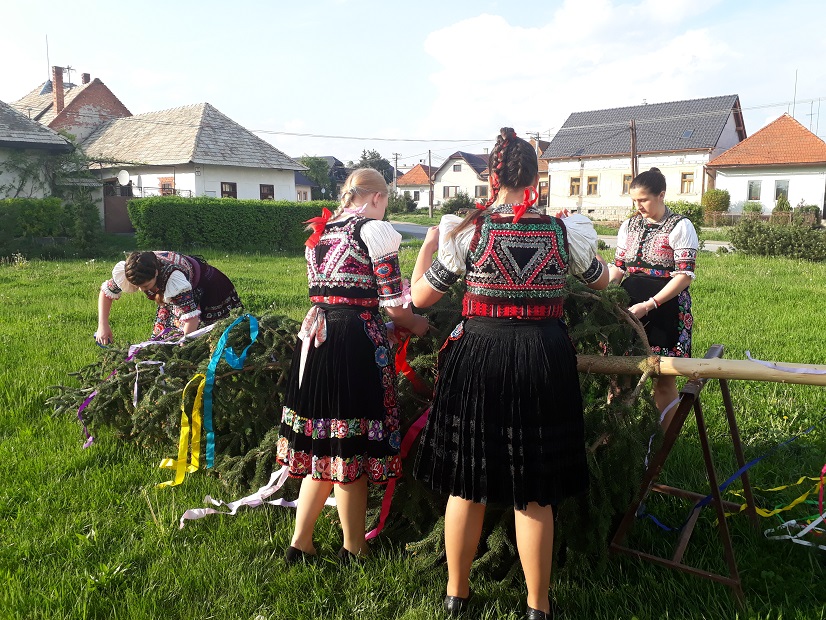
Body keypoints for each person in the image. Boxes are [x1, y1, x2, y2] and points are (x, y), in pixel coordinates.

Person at [410, 128, 609, 619]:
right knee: (535, 489)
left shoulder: (468, 231)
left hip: (480, 354)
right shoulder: (565, 232)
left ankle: (457, 596)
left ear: (492, 177)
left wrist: (426, 248)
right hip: (544, 356)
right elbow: (602, 280)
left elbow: (420, 298)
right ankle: (538, 607)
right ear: (536, 179)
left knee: (467, 481)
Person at [276, 167, 429, 563]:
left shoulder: (321, 233)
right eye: (387, 201)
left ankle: (301, 543)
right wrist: (417, 324)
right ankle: (354, 547)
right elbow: (394, 305)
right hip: (352, 343)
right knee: (350, 450)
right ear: (377, 197)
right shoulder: (374, 231)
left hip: (316, 337)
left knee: (325, 445)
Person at [607, 167, 698, 428]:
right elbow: (619, 267)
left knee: (664, 378)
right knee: (619, 375)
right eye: (634, 200)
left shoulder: (680, 226)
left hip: (666, 310)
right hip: (628, 309)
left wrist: (650, 304)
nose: (638, 206)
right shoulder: (629, 225)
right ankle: (616, 436)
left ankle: (664, 442)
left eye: (643, 200)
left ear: (661, 195)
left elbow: (685, 276)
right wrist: (607, 294)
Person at [96, 251, 243, 344]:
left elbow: (191, 318)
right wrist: (103, 325)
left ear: (156, 273)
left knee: (211, 338)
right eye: (137, 286)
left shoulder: (174, 279)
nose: (142, 290)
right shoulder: (132, 270)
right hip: (173, 289)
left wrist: (184, 346)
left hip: (209, 287)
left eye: (146, 286)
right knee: (164, 337)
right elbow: (106, 293)